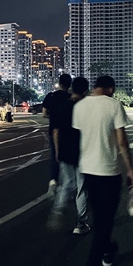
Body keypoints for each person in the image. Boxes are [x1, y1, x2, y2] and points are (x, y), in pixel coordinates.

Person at [72, 75, 133, 266]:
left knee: (101, 220)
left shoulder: (79, 107)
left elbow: (80, 136)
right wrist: (130, 170)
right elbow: (122, 142)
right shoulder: (114, 105)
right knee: (103, 225)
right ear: (110, 88)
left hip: (87, 170)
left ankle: (108, 249)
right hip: (108, 172)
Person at [47, 76, 90, 234]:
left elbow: (56, 131)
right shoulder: (85, 107)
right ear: (85, 91)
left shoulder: (63, 106)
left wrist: (57, 151)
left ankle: (58, 208)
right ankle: (81, 223)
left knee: (67, 183)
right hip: (82, 152)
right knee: (81, 188)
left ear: (72, 88)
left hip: (64, 151)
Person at [42, 73, 72, 193]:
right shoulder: (70, 98)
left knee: (54, 156)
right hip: (68, 131)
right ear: (69, 85)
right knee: (67, 157)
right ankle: (66, 183)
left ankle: (53, 181)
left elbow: (44, 113)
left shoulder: (51, 96)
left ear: (59, 83)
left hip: (53, 129)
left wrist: (54, 116)